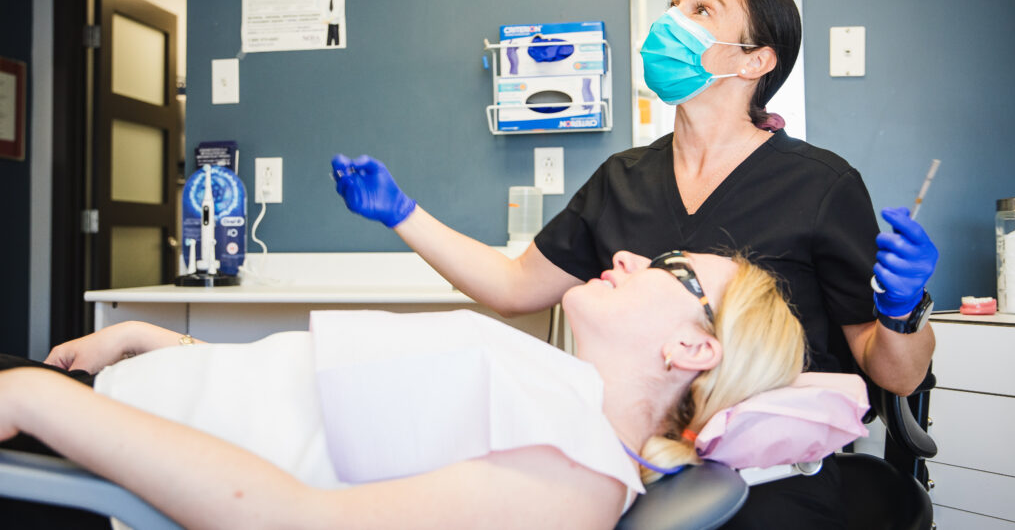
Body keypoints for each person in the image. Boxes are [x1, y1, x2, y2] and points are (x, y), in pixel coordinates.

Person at [330, 0, 939, 528]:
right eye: (672, 3)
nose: (669, 20)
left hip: (770, 480)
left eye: (702, 9)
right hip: (639, 461)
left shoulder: (820, 186)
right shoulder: (623, 178)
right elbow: (514, 287)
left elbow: (898, 376)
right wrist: (402, 214)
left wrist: (900, 311)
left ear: (755, 61)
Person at [2, 251, 807, 529]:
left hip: (75, 468)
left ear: (692, 345)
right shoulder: (559, 396)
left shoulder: (573, 482)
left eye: (671, 270)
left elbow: (284, 516)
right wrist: (161, 342)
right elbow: (316, 413)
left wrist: (44, 404)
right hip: (92, 406)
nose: (629, 255)